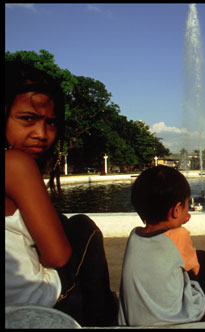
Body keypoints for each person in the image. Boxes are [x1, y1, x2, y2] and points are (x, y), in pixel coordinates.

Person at [5, 60, 118, 326]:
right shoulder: (14, 164)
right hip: (34, 303)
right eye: (28, 119)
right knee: (81, 227)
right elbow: (57, 256)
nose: (41, 134)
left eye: (51, 123)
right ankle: (99, 322)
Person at [118, 165, 205, 326]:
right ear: (176, 210)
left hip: (133, 321)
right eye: (186, 205)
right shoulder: (178, 236)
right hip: (173, 320)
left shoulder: (134, 236)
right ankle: (199, 316)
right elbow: (196, 269)